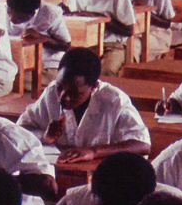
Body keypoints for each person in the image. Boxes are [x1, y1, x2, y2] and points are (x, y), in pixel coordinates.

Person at [18, 48, 150, 163]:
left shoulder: (114, 101)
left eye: (75, 93)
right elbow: (19, 130)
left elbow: (143, 145)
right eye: (60, 88)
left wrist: (93, 152)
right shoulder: (51, 92)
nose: (64, 97)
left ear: (93, 87)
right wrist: (44, 136)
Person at [65, 0, 136, 75]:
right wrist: (66, 12)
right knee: (67, 70)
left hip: (110, 45)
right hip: (81, 45)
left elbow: (129, 30)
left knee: (105, 72)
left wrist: (100, 19)